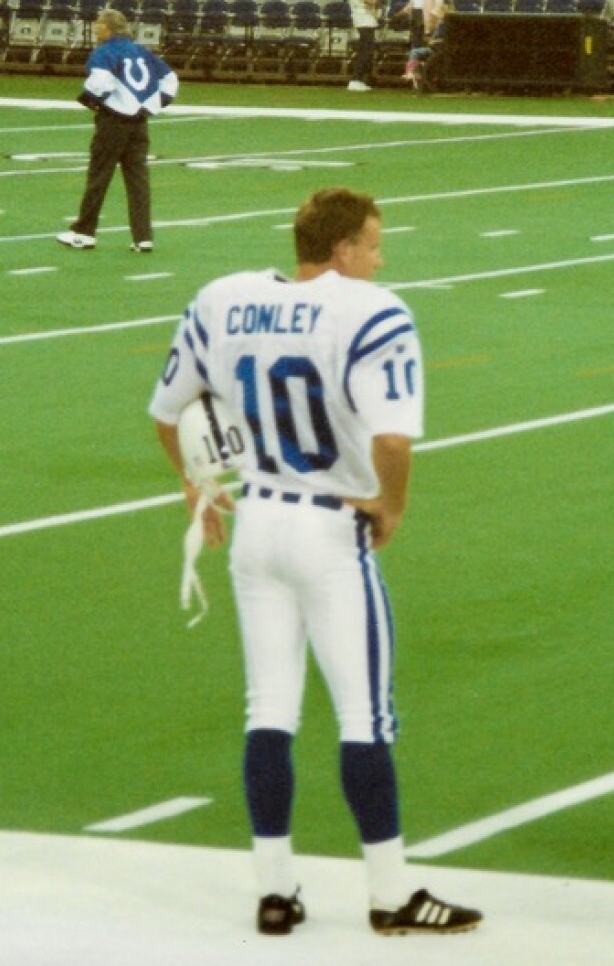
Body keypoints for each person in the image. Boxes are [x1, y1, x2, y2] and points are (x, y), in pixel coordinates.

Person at [148, 188, 484, 938]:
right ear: (340, 251)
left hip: (257, 522)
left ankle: (275, 890)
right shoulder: (370, 311)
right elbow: (393, 442)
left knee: (268, 709)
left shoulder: (224, 299)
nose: (380, 256)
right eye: (371, 242)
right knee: (365, 716)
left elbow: (168, 412)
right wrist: (391, 508)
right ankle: (390, 893)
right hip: (329, 530)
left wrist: (198, 489)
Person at [56, 9, 178, 254]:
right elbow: (170, 79)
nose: (95, 28)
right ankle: (143, 237)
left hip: (114, 122)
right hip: (139, 121)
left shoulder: (105, 52)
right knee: (138, 180)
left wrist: (92, 100)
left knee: (99, 176)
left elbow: (100, 81)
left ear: (107, 28)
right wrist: (154, 103)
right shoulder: (142, 51)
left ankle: (84, 232)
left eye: (98, 24)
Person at [348, 0, 379, 92]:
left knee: (366, 52)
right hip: (363, 21)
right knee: (366, 52)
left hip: (366, 20)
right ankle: (355, 79)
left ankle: (359, 79)